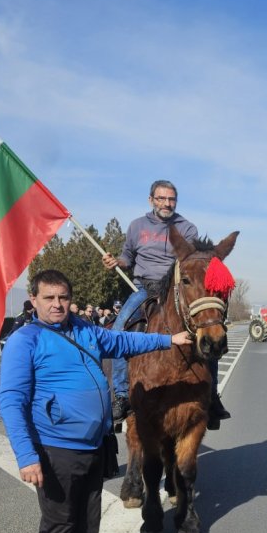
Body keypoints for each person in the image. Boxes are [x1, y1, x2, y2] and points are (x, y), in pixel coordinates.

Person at [0, 269, 193, 533]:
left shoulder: (85, 330)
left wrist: (170, 339)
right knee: (60, 526)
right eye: (50, 298)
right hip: (55, 449)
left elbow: (123, 343)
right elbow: (10, 401)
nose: (58, 304)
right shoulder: (25, 341)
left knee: (88, 523)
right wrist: (26, 456)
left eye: (63, 297)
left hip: (94, 444)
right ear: (34, 299)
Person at [101, 180, 202, 421]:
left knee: (206, 331)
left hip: (175, 289)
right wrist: (117, 262)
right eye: (161, 198)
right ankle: (123, 395)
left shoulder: (187, 228)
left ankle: (212, 396)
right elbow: (127, 256)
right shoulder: (137, 226)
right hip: (143, 288)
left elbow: (192, 261)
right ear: (151, 200)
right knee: (118, 331)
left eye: (171, 199)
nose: (167, 203)